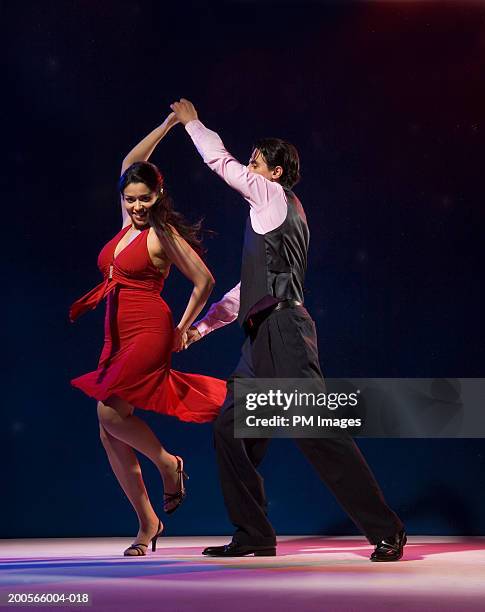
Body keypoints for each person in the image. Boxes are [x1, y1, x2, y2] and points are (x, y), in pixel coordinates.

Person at [170, 98, 407, 562]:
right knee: (230, 429)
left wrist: (192, 124)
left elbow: (222, 164)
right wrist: (199, 330)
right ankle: (254, 534)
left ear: (274, 174)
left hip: (285, 332)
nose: (249, 167)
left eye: (256, 162)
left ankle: (387, 529)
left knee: (315, 430)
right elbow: (247, 290)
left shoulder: (273, 197)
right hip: (261, 338)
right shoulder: (270, 217)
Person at [69, 111, 227, 556]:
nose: (136, 206)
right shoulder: (126, 225)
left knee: (107, 414)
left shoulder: (161, 233)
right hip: (114, 335)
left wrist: (182, 329)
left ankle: (168, 464)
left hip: (150, 331)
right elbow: (129, 161)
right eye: (131, 199)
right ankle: (147, 524)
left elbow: (205, 281)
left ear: (158, 195)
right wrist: (169, 124)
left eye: (144, 198)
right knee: (109, 431)